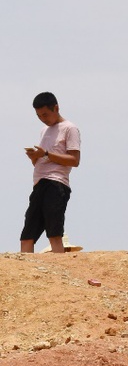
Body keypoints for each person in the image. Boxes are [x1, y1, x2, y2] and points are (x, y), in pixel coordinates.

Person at [21, 92, 80, 254]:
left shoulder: (70, 128)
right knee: (27, 234)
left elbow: (74, 160)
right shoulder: (44, 130)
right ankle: (26, 273)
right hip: (40, 182)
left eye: (45, 114)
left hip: (56, 183)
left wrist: (46, 154)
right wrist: (35, 158)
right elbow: (43, 159)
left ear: (56, 108)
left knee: (54, 232)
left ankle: (60, 273)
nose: (43, 118)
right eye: (39, 115)